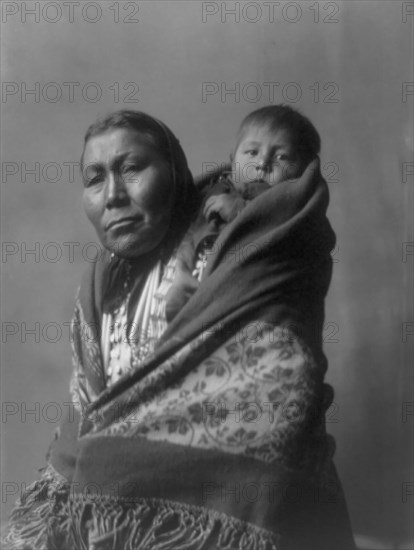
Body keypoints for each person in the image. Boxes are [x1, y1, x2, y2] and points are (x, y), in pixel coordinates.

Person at [2, 109, 356, 549]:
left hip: (247, 515)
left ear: (176, 172)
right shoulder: (101, 289)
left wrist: (118, 465)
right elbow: (86, 426)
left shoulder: (240, 248)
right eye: (94, 178)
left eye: (131, 169)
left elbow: (279, 382)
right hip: (112, 516)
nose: (113, 195)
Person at [166, 105, 323, 321]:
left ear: (303, 173)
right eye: (252, 152)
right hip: (198, 279)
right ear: (232, 159)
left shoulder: (290, 204)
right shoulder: (213, 191)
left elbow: (279, 228)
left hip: (250, 294)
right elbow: (190, 231)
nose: (262, 164)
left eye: (281, 157)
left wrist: (238, 209)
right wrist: (180, 270)